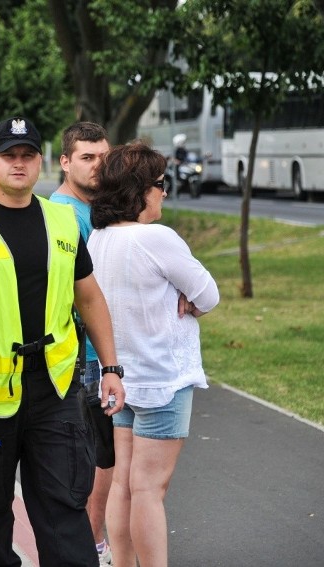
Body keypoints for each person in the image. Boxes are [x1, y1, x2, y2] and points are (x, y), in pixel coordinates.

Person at [0, 116, 125, 567]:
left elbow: (90, 297)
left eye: (27, 155)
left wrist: (112, 369)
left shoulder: (62, 220)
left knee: (64, 515)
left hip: (54, 392)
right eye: (8, 155)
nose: (18, 163)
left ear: (41, 162)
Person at [87, 142, 219, 567]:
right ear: (142, 190)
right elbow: (209, 295)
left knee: (124, 485)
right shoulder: (157, 238)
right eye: (161, 185)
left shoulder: (100, 240)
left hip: (122, 380)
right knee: (149, 490)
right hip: (163, 379)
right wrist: (189, 297)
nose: (164, 192)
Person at [48, 120, 114, 565]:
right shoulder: (64, 215)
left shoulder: (100, 210)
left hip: (105, 356)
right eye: (87, 158)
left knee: (106, 460)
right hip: (86, 358)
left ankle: (100, 545)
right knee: (100, 463)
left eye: (104, 158)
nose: (98, 167)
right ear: (65, 162)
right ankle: (93, 550)